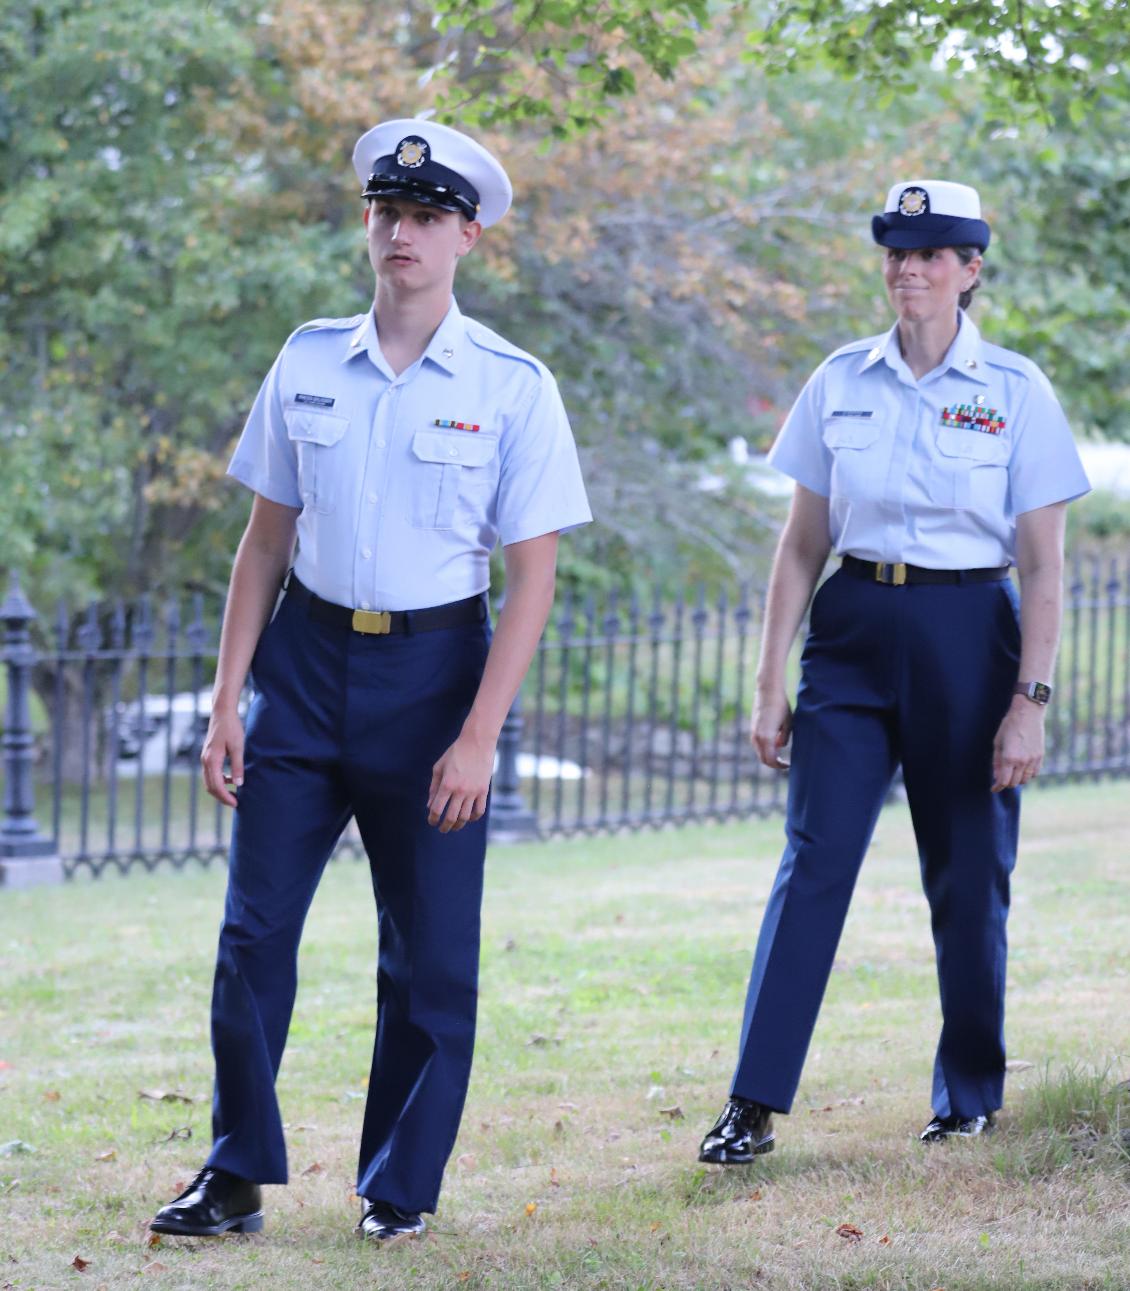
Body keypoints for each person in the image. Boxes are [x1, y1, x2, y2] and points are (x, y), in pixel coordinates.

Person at [150, 119, 591, 1243]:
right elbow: (261, 543)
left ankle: (397, 1185)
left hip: (436, 676)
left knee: (429, 951)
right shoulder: (306, 359)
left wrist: (481, 733)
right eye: (386, 214)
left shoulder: (510, 385)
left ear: (467, 237)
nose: (400, 233)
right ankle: (235, 1171)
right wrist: (226, 702)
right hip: (301, 667)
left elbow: (531, 577)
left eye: (426, 217)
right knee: (252, 937)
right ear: (369, 223)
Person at [698, 180, 1090, 1163]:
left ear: (968, 272)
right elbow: (798, 545)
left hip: (969, 630)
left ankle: (965, 1091)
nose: (906, 269)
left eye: (930, 254)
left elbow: (1042, 565)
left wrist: (1027, 702)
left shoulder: (1014, 391)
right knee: (812, 861)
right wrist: (765, 683)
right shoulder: (838, 381)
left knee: (965, 873)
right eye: (894, 253)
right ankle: (752, 1101)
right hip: (852, 628)